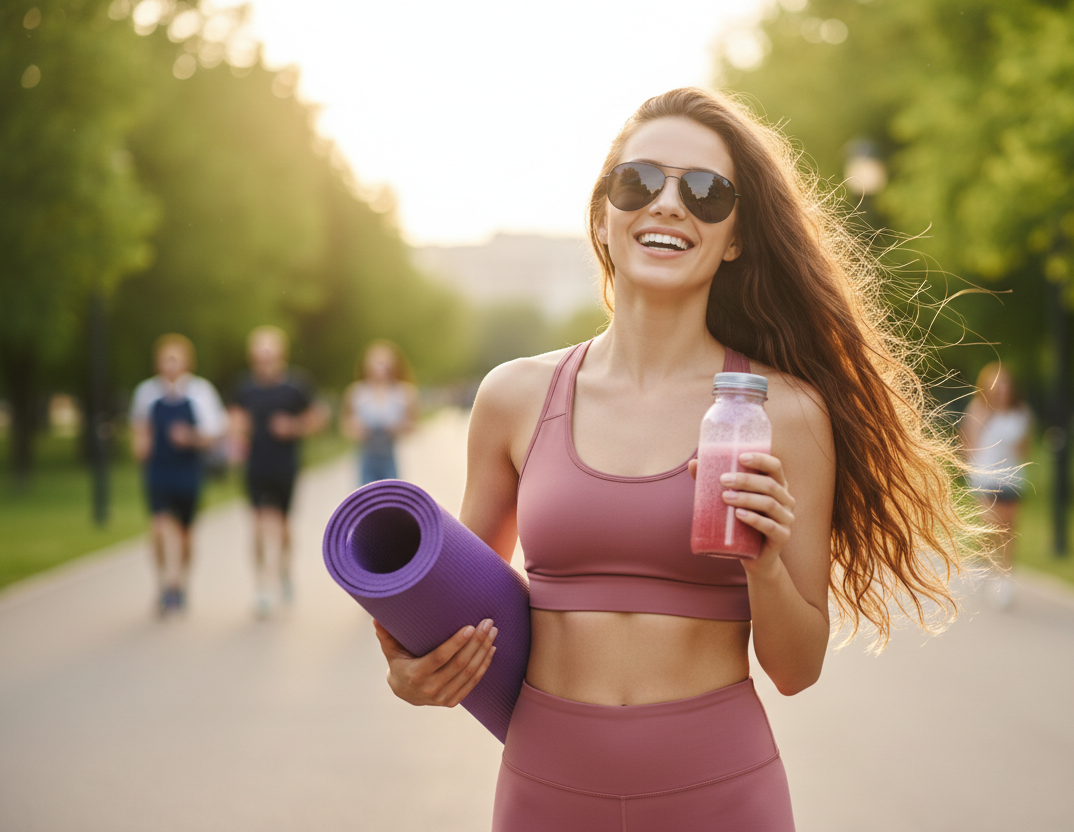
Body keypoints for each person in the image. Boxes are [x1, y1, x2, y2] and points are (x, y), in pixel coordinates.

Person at [373, 88, 979, 830]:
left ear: (735, 238)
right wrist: (413, 670)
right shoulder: (514, 397)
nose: (667, 204)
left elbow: (796, 669)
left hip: (720, 789)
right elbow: (461, 611)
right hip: (545, 789)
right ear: (603, 216)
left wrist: (763, 559)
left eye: (705, 192)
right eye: (639, 182)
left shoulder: (785, 412)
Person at [228, 326, 328, 618]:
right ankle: (261, 586)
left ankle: (283, 571)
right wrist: (237, 433)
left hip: (285, 465)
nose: (265, 359)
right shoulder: (244, 387)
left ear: (280, 355)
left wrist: (293, 427)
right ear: (253, 356)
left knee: (283, 527)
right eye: (260, 354)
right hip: (256, 466)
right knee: (257, 525)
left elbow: (318, 418)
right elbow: (233, 420)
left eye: (269, 353)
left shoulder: (296, 385)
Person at [129, 334, 227, 616]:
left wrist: (191, 438)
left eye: (175, 358)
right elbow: (140, 426)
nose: (169, 365)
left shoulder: (200, 392)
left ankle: (180, 583)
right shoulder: (146, 393)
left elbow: (216, 433)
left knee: (186, 534)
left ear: (186, 362)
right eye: (165, 359)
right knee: (159, 526)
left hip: (188, 470)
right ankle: (163, 584)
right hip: (159, 469)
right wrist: (141, 443)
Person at [961, 362, 1031, 609]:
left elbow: (1025, 448)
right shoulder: (978, 409)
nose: (1001, 388)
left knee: (1009, 528)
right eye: (997, 382)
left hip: (1011, 477)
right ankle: (987, 564)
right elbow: (968, 443)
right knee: (992, 525)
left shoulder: (1019, 413)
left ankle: (1004, 576)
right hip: (985, 477)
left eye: (1005, 382)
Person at [340, 340, 420, 484]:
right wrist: (355, 429)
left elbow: (414, 426)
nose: (379, 368)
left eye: (384, 363)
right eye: (376, 363)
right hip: (366, 456)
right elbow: (346, 426)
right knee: (366, 501)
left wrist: (398, 427)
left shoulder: (403, 393)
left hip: (389, 455)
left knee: (392, 498)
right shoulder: (356, 393)